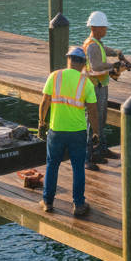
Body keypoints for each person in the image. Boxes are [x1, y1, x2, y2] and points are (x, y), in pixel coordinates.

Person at [37, 46, 100, 217]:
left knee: (52, 165)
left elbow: (45, 102)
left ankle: (48, 202)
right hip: (77, 131)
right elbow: (93, 111)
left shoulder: (54, 76)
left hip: (56, 129)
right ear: (82, 63)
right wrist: (96, 132)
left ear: (68, 60)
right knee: (78, 167)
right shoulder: (85, 82)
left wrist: (42, 122)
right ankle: (79, 205)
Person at [83, 10, 131, 161]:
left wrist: (116, 52)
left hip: (101, 86)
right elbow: (96, 66)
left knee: (102, 117)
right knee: (94, 119)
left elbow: (103, 50)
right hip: (94, 87)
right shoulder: (91, 46)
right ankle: (92, 153)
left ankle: (102, 148)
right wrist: (115, 65)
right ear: (94, 27)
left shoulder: (97, 43)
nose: (105, 29)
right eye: (103, 27)